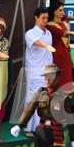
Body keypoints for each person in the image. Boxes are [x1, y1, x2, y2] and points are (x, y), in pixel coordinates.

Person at [23, 7, 55, 135]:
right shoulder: (30, 33)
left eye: (47, 18)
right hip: (34, 71)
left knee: (43, 101)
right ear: (36, 18)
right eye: (43, 18)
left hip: (45, 73)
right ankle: (27, 128)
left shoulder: (48, 34)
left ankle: (38, 127)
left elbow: (49, 55)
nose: (45, 20)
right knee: (31, 100)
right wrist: (46, 45)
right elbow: (36, 43)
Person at [47, 0, 74, 95]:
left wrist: (71, 60)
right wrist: (70, 33)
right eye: (60, 10)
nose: (62, 13)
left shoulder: (65, 24)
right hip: (55, 59)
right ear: (54, 12)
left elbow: (67, 45)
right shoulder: (49, 26)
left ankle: (66, 107)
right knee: (56, 85)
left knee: (67, 85)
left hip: (66, 58)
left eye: (63, 10)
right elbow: (61, 33)